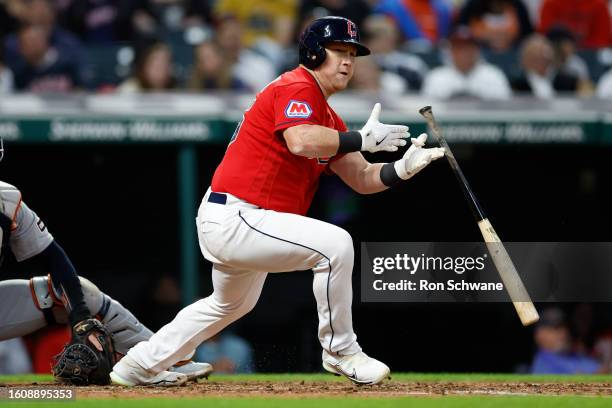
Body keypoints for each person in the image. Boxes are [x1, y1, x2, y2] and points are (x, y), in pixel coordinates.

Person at [111, 16, 444, 387]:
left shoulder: (327, 116)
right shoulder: (297, 85)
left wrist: (401, 169)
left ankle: (139, 364)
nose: (348, 61)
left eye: (353, 53)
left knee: (229, 304)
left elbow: (363, 178)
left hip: (245, 219)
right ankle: (341, 351)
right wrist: (359, 139)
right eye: (338, 51)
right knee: (336, 246)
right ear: (315, 52)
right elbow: (300, 141)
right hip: (238, 213)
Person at [0, 170, 211, 385]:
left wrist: (80, 319)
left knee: (82, 293)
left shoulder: (7, 199)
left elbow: (53, 258)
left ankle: (160, 360)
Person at [421, 26, 512, 100]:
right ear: (451, 51)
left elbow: (504, 110)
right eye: (459, 48)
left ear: (477, 51)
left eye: (468, 48)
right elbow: (427, 111)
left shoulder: (493, 75)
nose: (464, 53)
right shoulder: (436, 77)